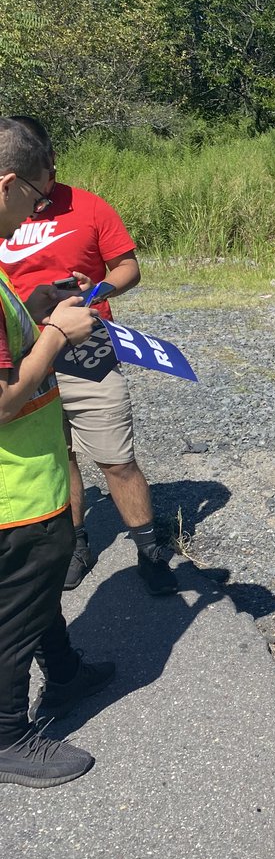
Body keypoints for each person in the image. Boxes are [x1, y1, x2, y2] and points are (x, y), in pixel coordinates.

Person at [0, 118, 177, 596]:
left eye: (52, 171)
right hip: (21, 352)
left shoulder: (90, 207)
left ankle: (149, 549)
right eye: (42, 175)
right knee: (60, 455)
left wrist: (98, 289)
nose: (49, 184)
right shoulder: (7, 212)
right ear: (14, 180)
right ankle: (76, 544)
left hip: (88, 347)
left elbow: (128, 266)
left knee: (116, 458)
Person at [0, 117, 115, 787]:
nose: (32, 218)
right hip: (14, 489)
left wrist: (38, 306)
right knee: (16, 605)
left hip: (31, 479)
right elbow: (5, 398)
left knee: (38, 588)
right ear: (9, 183)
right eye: (34, 201)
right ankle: (10, 734)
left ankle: (66, 673)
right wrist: (55, 332)